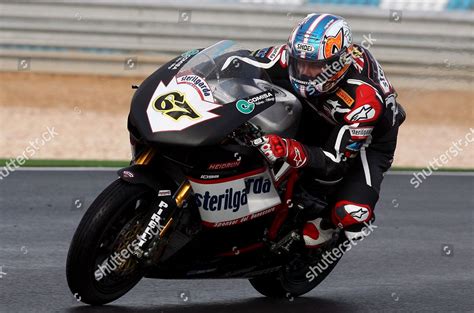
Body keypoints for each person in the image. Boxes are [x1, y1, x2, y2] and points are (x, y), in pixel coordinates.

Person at [250, 13, 406, 247]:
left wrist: (288, 149)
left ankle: (327, 223)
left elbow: (334, 161)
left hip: (367, 139)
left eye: (313, 66)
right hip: (320, 107)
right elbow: (242, 61)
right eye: (299, 63)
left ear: (338, 64)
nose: (303, 71)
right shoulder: (292, 54)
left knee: (352, 214)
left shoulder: (364, 100)